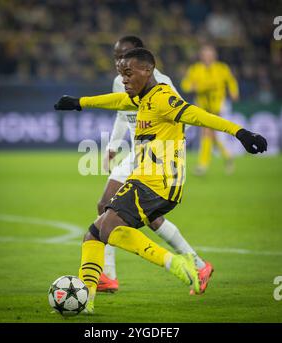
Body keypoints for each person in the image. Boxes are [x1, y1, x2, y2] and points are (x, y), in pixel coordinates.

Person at [54, 48, 267, 313]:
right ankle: (87, 301)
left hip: (156, 183)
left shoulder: (164, 98)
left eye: (129, 74)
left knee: (108, 227)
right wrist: (79, 102)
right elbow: (116, 101)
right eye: (122, 74)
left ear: (148, 70)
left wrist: (241, 132)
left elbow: (199, 115)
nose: (124, 80)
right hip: (150, 183)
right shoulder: (141, 99)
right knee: (94, 236)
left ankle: (177, 264)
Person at [97, 36, 211, 293]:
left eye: (123, 56)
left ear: (139, 58)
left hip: (157, 157)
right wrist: (113, 146)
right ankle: (109, 276)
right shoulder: (120, 80)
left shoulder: (162, 83)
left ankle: (196, 264)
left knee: (145, 215)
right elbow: (121, 113)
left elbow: (184, 115)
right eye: (116, 57)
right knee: (107, 205)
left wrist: (169, 153)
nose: (119, 63)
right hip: (135, 154)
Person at [181, 44, 239, 175]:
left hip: (218, 106)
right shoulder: (195, 69)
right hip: (202, 106)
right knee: (210, 134)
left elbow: (231, 81)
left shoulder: (221, 68)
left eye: (210, 54)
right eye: (205, 55)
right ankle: (227, 156)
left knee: (207, 133)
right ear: (201, 56)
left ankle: (203, 165)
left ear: (214, 56)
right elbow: (185, 84)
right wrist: (191, 87)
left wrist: (234, 92)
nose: (207, 57)